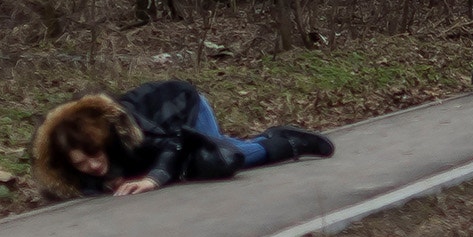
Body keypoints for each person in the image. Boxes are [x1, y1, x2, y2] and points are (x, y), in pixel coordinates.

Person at [31, 80, 334, 199]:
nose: (93, 165)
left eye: (95, 155)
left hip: (184, 106)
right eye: (81, 164)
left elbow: (172, 142)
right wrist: (104, 183)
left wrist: (153, 179)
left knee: (221, 156)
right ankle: (276, 140)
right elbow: (80, 184)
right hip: (167, 131)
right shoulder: (73, 168)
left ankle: (287, 141)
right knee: (206, 158)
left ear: (101, 140)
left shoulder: (124, 128)